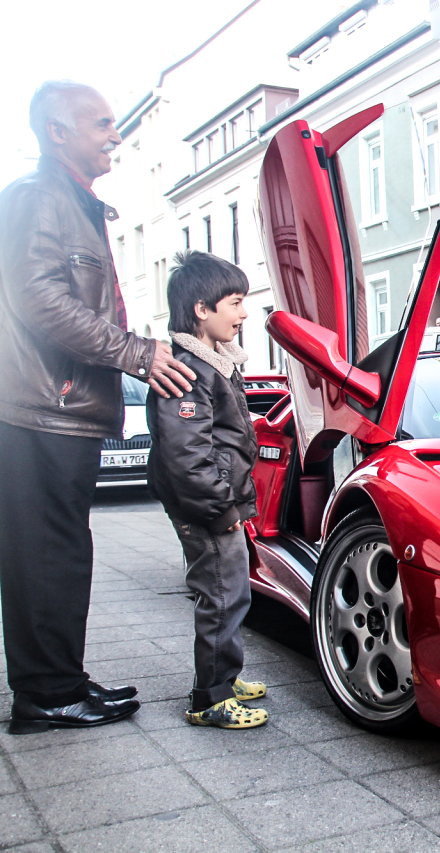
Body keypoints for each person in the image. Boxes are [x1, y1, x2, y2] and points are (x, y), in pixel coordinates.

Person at [0, 81, 196, 734]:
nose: (115, 135)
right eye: (102, 123)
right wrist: (138, 354)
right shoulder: (36, 199)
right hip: (41, 411)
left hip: (59, 411)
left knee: (62, 552)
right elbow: (41, 301)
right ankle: (45, 695)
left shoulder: (73, 205)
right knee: (46, 556)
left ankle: (60, 679)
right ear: (58, 132)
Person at [147, 251, 268, 728]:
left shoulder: (214, 363)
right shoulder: (188, 370)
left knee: (232, 591)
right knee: (222, 595)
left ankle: (226, 673)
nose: (243, 314)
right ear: (202, 309)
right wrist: (222, 507)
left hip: (217, 502)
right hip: (206, 507)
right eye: (235, 303)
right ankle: (210, 698)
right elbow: (187, 456)